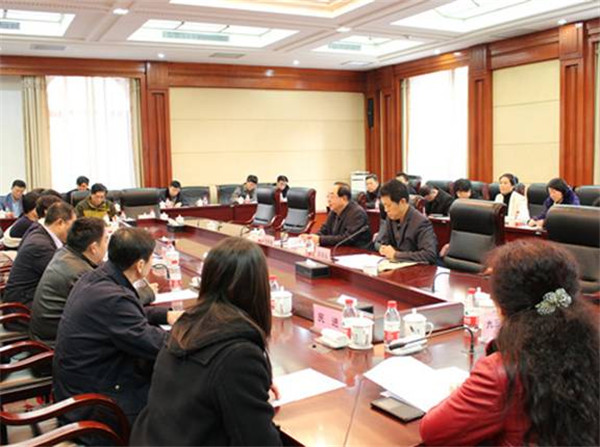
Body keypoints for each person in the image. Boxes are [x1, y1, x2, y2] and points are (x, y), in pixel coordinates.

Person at [420, 240, 599, 446]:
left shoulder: (501, 371)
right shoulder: (589, 345)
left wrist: (457, 396)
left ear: (502, 307)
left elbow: (431, 431)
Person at [131, 237, 282, 446]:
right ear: (259, 289)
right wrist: (250, 386)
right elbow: (260, 442)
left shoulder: (187, 324)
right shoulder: (239, 355)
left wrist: (253, 384)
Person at [53, 227, 183, 440]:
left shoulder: (98, 277)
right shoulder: (113, 297)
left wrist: (166, 315)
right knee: (176, 388)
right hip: (94, 405)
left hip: (79, 384)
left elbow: (124, 314)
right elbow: (156, 344)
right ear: (140, 265)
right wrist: (197, 333)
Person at [30, 217, 108, 346]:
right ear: (93, 248)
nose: (107, 245)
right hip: (55, 342)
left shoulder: (65, 253)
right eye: (106, 240)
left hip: (46, 331)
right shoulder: (81, 274)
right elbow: (105, 310)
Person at [2, 202, 76, 309]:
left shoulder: (42, 234)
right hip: (23, 306)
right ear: (60, 223)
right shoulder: (41, 246)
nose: (73, 231)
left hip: (34, 296)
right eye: (72, 226)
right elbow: (64, 277)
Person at [375, 180, 437, 264]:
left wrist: (397, 255)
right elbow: (382, 241)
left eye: (388, 205)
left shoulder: (421, 222)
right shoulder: (391, 217)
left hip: (416, 269)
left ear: (402, 202)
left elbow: (429, 255)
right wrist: (383, 248)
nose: (386, 210)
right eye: (384, 205)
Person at [303, 182, 371, 249]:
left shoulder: (357, 213)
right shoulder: (334, 211)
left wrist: (320, 239)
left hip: (357, 251)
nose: (328, 200)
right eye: (328, 196)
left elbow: (347, 238)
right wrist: (312, 237)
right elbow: (324, 230)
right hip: (338, 249)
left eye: (332, 197)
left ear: (344, 198)